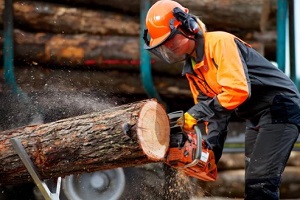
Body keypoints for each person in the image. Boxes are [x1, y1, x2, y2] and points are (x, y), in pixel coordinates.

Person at [143, 0, 300, 199]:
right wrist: (211, 152)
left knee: (260, 183)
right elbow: (216, 113)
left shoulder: (219, 43)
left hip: (280, 106)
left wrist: (195, 114)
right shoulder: (194, 70)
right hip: (255, 116)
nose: (169, 48)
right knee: (254, 183)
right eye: (163, 46)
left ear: (188, 27)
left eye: (170, 41)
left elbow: (238, 91)